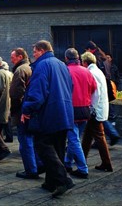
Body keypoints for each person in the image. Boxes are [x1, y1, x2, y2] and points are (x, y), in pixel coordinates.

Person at [22, 40, 74, 198]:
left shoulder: (42, 66)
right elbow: (70, 86)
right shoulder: (61, 64)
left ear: (41, 50)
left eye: (35, 52)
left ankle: (63, 179)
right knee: (57, 147)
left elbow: (38, 92)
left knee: (43, 146)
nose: (33, 55)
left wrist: (27, 109)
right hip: (64, 111)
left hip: (48, 113)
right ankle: (51, 182)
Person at [64, 48, 97, 180]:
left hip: (71, 109)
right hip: (85, 109)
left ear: (66, 58)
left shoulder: (66, 71)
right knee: (75, 138)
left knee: (74, 140)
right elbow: (94, 88)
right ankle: (67, 162)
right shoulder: (87, 72)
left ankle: (83, 169)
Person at [10, 47, 41, 179]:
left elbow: (16, 93)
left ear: (20, 57)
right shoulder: (31, 68)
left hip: (23, 110)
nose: (11, 60)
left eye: (13, 57)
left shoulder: (21, 70)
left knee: (25, 141)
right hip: (32, 109)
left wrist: (16, 110)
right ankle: (38, 165)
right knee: (33, 140)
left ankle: (31, 169)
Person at [80, 51, 113, 173]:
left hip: (95, 110)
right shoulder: (98, 71)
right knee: (88, 136)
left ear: (84, 62)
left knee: (99, 136)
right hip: (99, 109)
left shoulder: (91, 72)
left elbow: (95, 93)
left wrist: (91, 108)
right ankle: (82, 159)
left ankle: (107, 163)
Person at [85, 41, 120, 146]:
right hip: (107, 87)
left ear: (90, 49)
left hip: (100, 88)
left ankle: (112, 134)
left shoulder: (96, 59)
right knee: (101, 116)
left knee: (99, 115)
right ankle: (101, 138)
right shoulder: (103, 56)